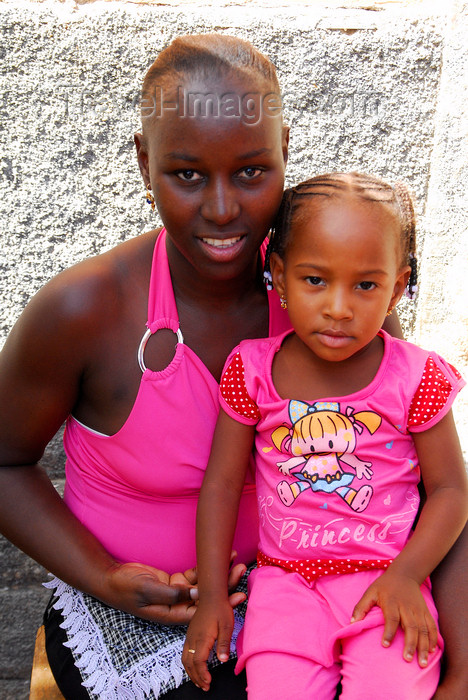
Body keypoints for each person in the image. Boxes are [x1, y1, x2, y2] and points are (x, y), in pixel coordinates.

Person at [0, 33, 464, 700]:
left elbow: (426, 488)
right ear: (143, 160)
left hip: (338, 599)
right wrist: (102, 576)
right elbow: (5, 461)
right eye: (187, 174)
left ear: (283, 155)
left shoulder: (335, 305)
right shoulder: (85, 310)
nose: (221, 209)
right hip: (139, 619)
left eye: (251, 172)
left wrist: (462, 671)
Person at [182, 173, 468, 699]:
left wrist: (408, 574)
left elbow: (451, 491)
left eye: (365, 285)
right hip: (284, 589)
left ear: (397, 288)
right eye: (316, 280)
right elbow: (221, 485)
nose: (339, 307)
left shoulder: (416, 377)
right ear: (281, 276)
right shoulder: (251, 370)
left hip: (387, 585)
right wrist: (212, 599)